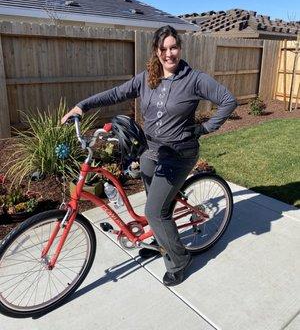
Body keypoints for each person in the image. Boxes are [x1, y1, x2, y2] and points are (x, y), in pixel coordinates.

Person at [61, 25, 237, 286]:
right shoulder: (147, 78)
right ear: (156, 51)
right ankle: (161, 240)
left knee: (155, 211)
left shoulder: (194, 79)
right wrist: (81, 106)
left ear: (180, 48)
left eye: (173, 47)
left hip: (179, 154)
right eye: (163, 49)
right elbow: (116, 93)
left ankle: (179, 260)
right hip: (150, 152)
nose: (169, 54)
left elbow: (228, 100)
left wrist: (204, 128)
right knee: (157, 207)